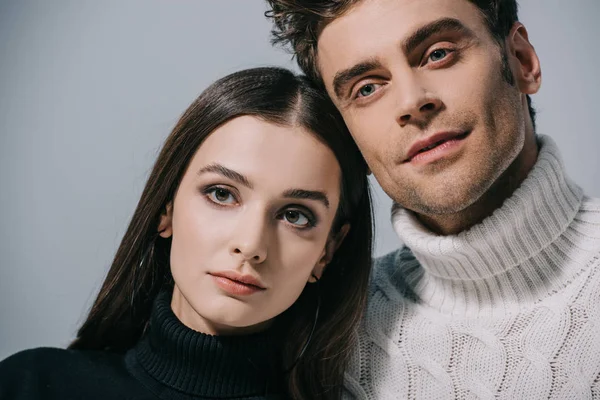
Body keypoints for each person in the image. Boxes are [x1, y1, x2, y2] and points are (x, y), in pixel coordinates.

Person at [266, 0, 600, 398]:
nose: (411, 102)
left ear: (522, 61)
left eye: (438, 54)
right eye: (367, 88)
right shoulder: (321, 337)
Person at [0, 67, 373, 400]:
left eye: (295, 216)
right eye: (222, 194)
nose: (251, 244)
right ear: (166, 208)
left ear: (328, 250)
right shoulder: (30, 384)